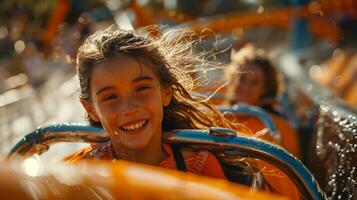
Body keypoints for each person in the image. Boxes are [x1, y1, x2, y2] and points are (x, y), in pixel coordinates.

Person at [66, 25, 254, 180]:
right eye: (110, 97)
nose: (129, 108)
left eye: (141, 89)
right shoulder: (80, 173)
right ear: (91, 110)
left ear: (165, 92)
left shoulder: (198, 168)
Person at [225, 42, 301, 158]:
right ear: (233, 77)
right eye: (242, 78)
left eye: (254, 83)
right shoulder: (215, 112)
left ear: (265, 88)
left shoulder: (277, 126)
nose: (245, 87)